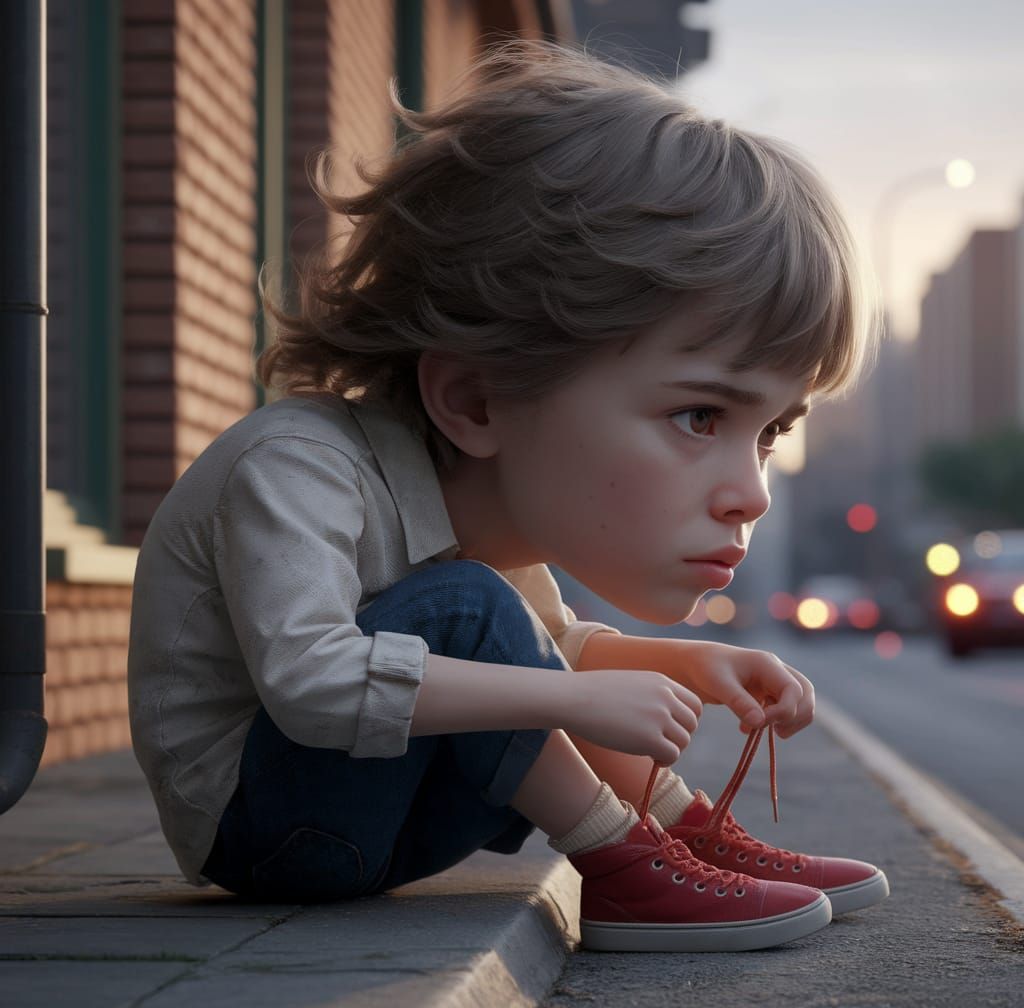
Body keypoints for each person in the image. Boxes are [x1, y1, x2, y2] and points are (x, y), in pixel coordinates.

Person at [127, 38, 889, 953]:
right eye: (699, 416)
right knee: (471, 612)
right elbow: (311, 684)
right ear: (476, 399)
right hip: (272, 830)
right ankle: (622, 871)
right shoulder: (295, 468)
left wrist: (689, 664)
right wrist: (569, 701)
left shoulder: (485, 523)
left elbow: (549, 646)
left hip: (389, 812)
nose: (751, 494)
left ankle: (685, 839)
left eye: (771, 434)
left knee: (492, 625)